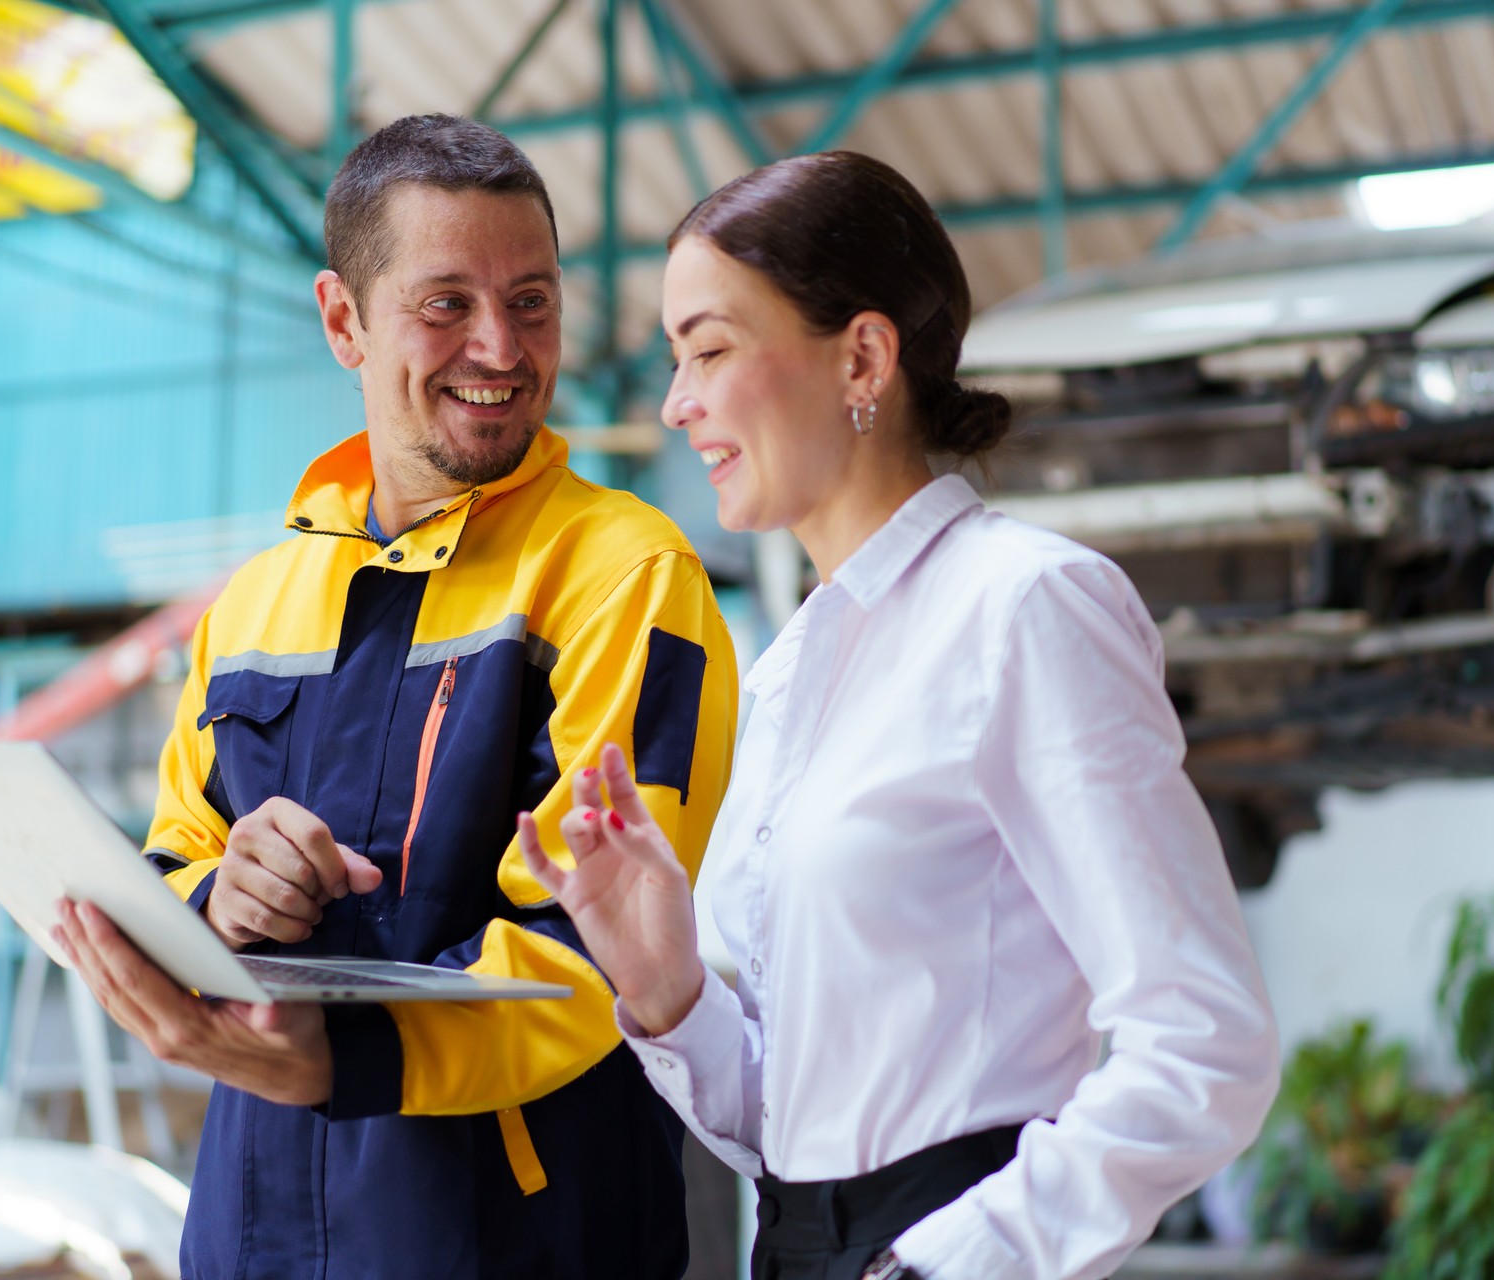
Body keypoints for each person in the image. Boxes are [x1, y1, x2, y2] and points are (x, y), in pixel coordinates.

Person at [515, 151, 1282, 1280]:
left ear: (863, 355)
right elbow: (800, 1126)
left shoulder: (1024, 606)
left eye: (711, 350)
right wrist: (670, 988)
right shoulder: (787, 674)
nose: (677, 402)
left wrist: (953, 1260)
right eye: (678, 360)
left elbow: (1208, 1042)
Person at [52, 114, 738, 1280]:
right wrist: (223, 895)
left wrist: (343, 1060)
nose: (501, 346)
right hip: (253, 1233)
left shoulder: (625, 574)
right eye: (446, 304)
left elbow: (598, 953)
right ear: (342, 320)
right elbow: (176, 852)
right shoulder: (254, 605)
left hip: (518, 1244)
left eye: (531, 300)